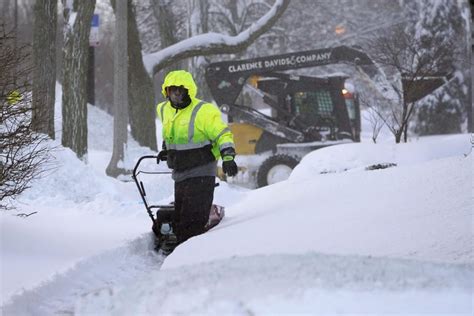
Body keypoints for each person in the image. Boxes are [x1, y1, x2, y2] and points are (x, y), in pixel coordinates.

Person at [156, 70, 238, 245]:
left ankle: (191, 257)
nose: (177, 94)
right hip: (180, 171)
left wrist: (228, 157)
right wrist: (166, 149)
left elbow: (223, 134)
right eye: (173, 90)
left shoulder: (204, 111)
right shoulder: (163, 109)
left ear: (188, 90)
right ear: (167, 91)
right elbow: (169, 133)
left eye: (181, 90)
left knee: (191, 222)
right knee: (178, 218)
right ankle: (180, 251)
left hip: (202, 170)